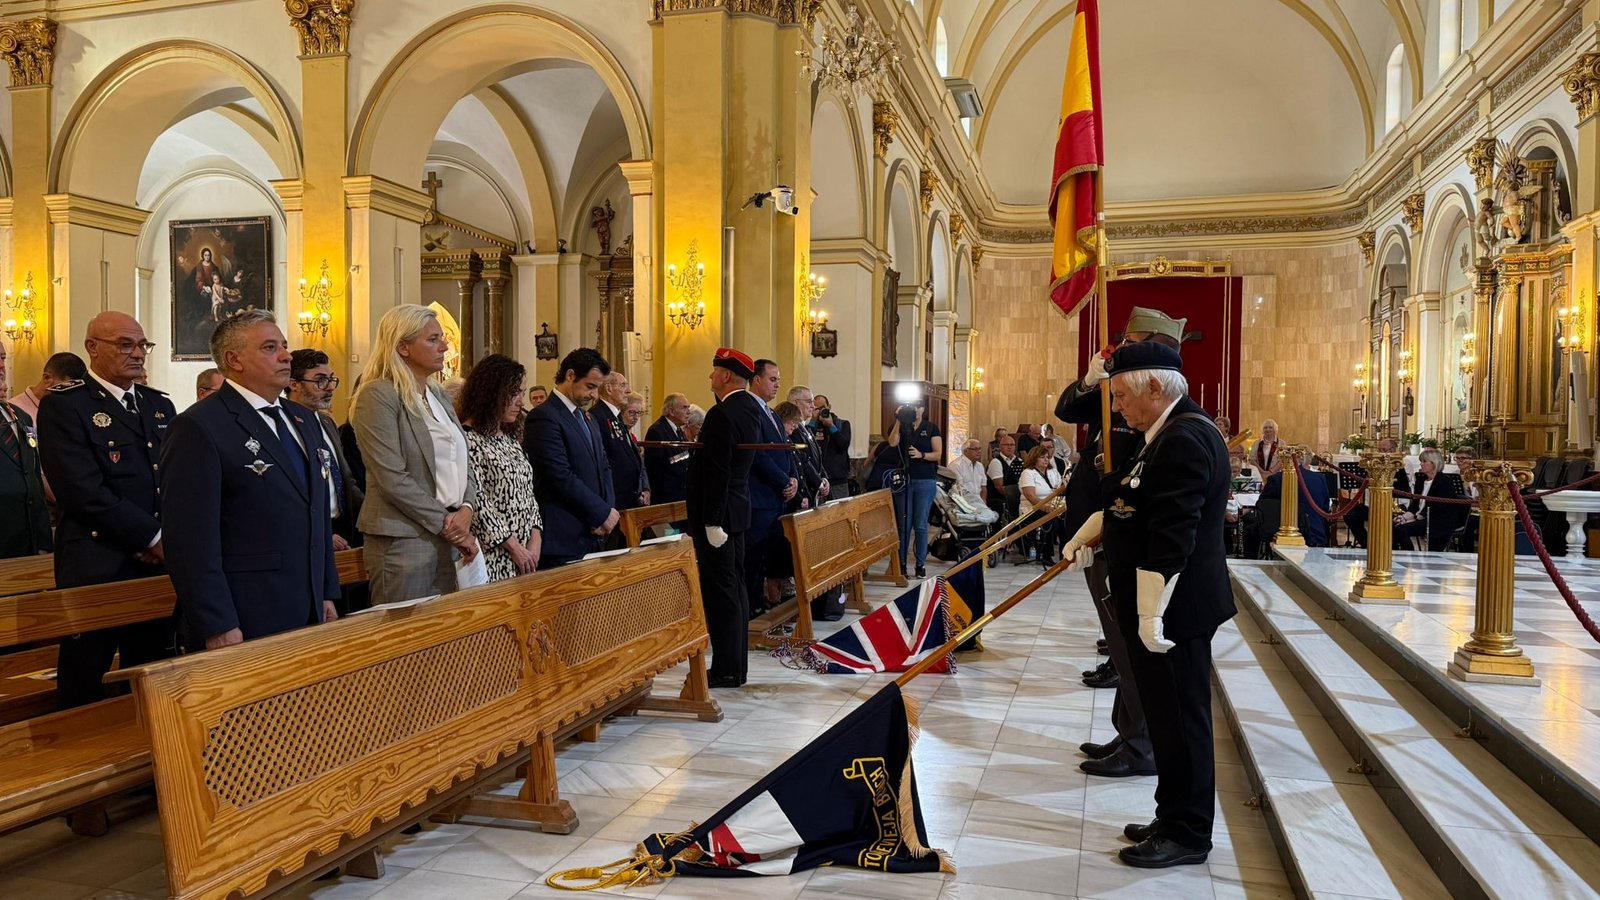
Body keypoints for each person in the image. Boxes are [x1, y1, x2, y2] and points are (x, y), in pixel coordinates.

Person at [1065, 341, 1233, 869]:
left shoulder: (1184, 438)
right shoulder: (1163, 432)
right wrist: (1097, 527)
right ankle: (1173, 812)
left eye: (1119, 396)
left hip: (1173, 611)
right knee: (1165, 720)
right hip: (1164, 605)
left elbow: (1172, 537)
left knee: (1181, 723)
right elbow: (1135, 497)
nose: (1115, 407)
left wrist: (1149, 612)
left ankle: (1187, 833)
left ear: (1154, 388)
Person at [1055, 305, 1185, 776]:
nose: (1122, 348)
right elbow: (1067, 409)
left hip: (1122, 532)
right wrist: (1090, 381)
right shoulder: (1119, 383)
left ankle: (1141, 743)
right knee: (1118, 643)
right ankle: (1128, 731)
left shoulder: (1157, 399)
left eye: (1132, 341)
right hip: (1099, 527)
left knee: (1131, 649)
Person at [161, 309, 342, 648]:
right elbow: (190, 541)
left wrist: (327, 591)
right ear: (234, 359)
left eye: (284, 345)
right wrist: (217, 622)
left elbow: (316, 516)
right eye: (270, 347)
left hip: (309, 604)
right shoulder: (201, 426)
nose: (286, 355)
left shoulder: (303, 419)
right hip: (247, 611)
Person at [37, 312, 177, 707]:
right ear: (92, 348)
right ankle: (73, 755)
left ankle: (156, 755)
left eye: (142, 345)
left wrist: (167, 535)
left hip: (157, 564)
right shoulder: (67, 407)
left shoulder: (157, 406)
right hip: (97, 563)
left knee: (154, 671)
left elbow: (176, 481)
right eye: (125, 344)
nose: (137, 354)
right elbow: (82, 491)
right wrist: (152, 536)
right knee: (85, 675)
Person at [350, 304, 480, 605]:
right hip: (404, 540)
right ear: (402, 347)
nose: (445, 346)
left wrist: (467, 509)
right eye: (433, 339)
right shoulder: (379, 394)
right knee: (407, 642)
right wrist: (449, 525)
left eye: (442, 338)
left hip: (448, 532)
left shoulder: (436, 394)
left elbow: (462, 461)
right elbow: (391, 477)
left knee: (445, 638)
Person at [686, 348, 767, 688]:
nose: (710, 377)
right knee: (734, 589)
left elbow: (719, 471)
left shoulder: (723, 414)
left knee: (722, 593)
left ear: (725, 376)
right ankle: (735, 666)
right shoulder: (749, 408)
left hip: (720, 516)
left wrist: (711, 521)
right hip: (737, 510)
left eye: (713, 371)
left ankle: (725, 669)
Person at [522, 348, 618, 567]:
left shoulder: (589, 419)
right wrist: (600, 513)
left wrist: (607, 511)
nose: (594, 395)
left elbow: (604, 467)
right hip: (564, 534)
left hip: (594, 531)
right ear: (571, 375)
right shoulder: (544, 417)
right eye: (590, 387)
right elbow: (559, 475)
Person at [459, 354, 543, 581]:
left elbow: (528, 492)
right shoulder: (468, 438)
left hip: (526, 553)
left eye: (522, 393)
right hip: (495, 555)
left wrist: (536, 537)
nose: (520, 402)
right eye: (513, 393)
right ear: (491, 393)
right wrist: (514, 547)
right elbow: (477, 501)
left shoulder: (508, 438)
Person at [287, 349, 363, 557]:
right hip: (309, 530)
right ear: (294, 384)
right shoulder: (284, 427)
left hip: (343, 524)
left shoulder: (327, 422)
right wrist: (321, 532)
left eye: (331, 379)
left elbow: (344, 478)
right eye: (320, 380)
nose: (329, 387)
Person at [745, 359, 799, 612]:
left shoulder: (772, 414)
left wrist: (793, 478)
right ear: (757, 380)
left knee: (767, 555)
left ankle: (761, 604)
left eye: (778, 379)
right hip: (760, 498)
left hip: (776, 497)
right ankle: (752, 608)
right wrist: (782, 480)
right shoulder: (751, 411)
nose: (778, 384)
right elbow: (758, 454)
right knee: (753, 558)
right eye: (773, 379)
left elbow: (784, 449)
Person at [0, 342, 51, 558]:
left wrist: (44, 541)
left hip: (26, 542)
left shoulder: (20, 416)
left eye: (2, 358)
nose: (1, 366)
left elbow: (33, 480)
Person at [887, 394, 941, 578]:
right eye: (912, 406)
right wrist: (898, 419)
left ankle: (920, 564)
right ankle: (901, 564)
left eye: (918, 406)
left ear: (923, 409)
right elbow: (892, 442)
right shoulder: (902, 425)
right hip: (904, 481)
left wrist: (921, 455)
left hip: (925, 479)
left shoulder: (931, 428)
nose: (915, 410)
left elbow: (938, 453)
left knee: (920, 524)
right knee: (904, 524)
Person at [593, 371, 649, 513]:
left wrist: (643, 488)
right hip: (614, 502)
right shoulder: (598, 416)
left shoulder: (615, 416)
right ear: (609, 388)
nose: (628, 390)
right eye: (623, 385)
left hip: (628, 500)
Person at [1393, 448, 1468, 551]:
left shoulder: (1444, 482)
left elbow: (1438, 508)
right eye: (1421, 461)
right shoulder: (1421, 479)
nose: (1421, 464)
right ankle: (1395, 555)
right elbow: (1415, 504)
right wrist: (1404, 517)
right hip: (1422, 517)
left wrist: (1413, 518)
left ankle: (1409, 555)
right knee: (1392, 525)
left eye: (1424, 461)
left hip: (1437, 521)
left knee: (1402, 530)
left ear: (1434, 463)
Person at [644, 392, 692, 505]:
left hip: (681, 494)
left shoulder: (679, 430)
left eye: (688, 408)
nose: (689, 412)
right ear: (671, 411)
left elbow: (684, 457)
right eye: (684, 408)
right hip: (666, 498)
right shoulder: (656, 431)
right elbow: (654, 470)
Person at [1018, 445, 1063, 564]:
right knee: (1052, 521)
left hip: (1052, 507)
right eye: (1042, 457)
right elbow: (1030, 496)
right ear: (1034, 458)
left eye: (1047, 457)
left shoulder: (1053, 471)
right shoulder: (1028, 473)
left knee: (1066, 519)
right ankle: (1046, 555)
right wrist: (1045, 508)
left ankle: (1065, 554)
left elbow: (1060, 488)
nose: (1046, 459)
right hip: (1032, 509)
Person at [11, 351, 87, 421]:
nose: (70, 396)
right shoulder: (13, 410)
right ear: (47, 378)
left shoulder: (71, 411)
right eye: (65, 389)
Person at [811, 393, 853, 498]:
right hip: (819, 480)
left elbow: (844, 445)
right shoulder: (813, 426)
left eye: (823, 408)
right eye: (816, 408)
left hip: (838, 479)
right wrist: (813, 421)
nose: (820, 411)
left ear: (829, 407)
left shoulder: (842, 424)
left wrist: (831, 427)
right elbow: (807, 444)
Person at [986, 434, 1024, 523]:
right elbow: (999, 487)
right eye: (1006, 445)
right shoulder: (996, 462)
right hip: (1000, 498)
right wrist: (1018, 497)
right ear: (1000, 447)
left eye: (1012, 445)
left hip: (1017, 495)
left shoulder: (1020, 461)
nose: (1009, 447)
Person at [953, 438, 989, 506]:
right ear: (966, 451)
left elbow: (983, 488)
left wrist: (983, 503)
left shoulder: (980, 466)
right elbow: (958, 491)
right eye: (975, 449)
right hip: (963, 504)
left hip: (979, 503)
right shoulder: (956, 466)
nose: (979, 451)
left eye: (979, 449)